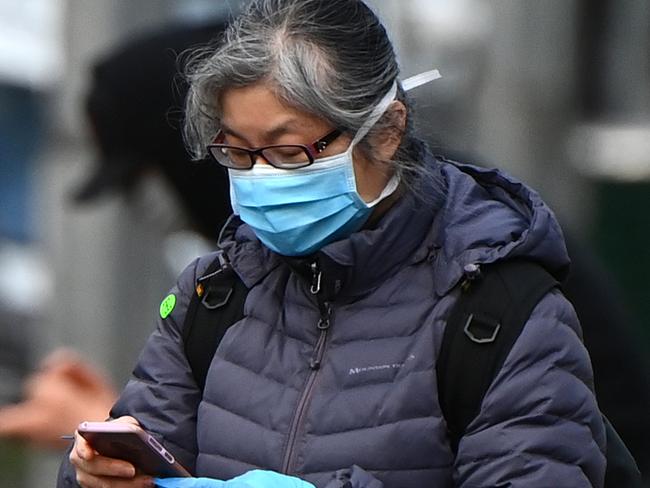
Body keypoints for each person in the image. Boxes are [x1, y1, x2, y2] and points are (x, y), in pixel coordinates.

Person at [58, 0, 606, 487]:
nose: (260, 178)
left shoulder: (500, 314)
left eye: (289, 152)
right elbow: (143, 439)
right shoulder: (216, 296)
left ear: (386, 130)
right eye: (237, 153)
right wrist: (94, 475)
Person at [0, 20, 232, 449]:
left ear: (192, 153)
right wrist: (120, 418)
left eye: (138, 179)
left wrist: (100, 427)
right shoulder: (227, 284)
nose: (139, 209)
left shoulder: (312, 279)